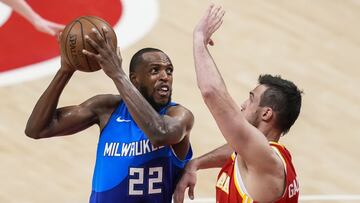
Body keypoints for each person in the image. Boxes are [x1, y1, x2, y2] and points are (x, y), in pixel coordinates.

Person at [25, 28, 194, 202]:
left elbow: (160, 134)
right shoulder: (107, 108)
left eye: (169, 70)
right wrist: (65, 70)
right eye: (155, 70)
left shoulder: (179, 115)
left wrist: (117, 74)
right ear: (134, 79)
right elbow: (37, 129)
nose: (165, 76)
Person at [173, 5, 302, 203]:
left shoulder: (267, 161)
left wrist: (199, 40)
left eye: (251, 98)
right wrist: (196, 163)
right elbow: (237, 149)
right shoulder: (264, 155)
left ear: (267, 113)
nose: (242, 104)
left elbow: (211, 92)